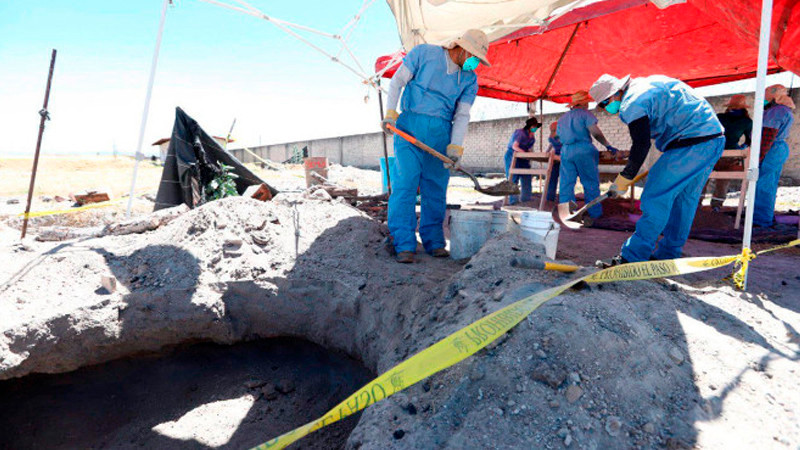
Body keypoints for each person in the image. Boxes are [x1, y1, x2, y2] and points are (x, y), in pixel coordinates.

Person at [590, 74, 724, 265]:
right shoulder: (649, 83)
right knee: (684, 201)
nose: (606, 109)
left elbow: (641, 144)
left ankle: (632, 257)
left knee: (654, 197)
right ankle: (668, 255)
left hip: (689, 143)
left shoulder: (632, 103)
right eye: (602, 106)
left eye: (605, 103)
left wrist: (624, 178)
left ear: (617, 92)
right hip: (712, 140)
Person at [381, 29, 490, 263]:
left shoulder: (469, 80)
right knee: (406, 184)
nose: (475, 64)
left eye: (478, 61)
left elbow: (462, 114)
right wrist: (390, 114)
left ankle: (434, 241)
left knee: (436, 188)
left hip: (441, 135)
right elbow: (398, 81)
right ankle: (403, 243)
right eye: (474, 58)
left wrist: (455, 147)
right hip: (409, 127)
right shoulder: (424, 54)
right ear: (461, 49)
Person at [556, 90, 619, 224]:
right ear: (584, 103)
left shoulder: (561, 119)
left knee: (566, 183)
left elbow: (559, 137)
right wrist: (608, 146)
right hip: (583, 149)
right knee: (590, 182)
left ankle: (566, 214)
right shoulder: (585, 114)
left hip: (566, 150)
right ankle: (594, 214)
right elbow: (596, 133)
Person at [754, 84, 796, 227]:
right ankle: (763, 216)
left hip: (771, 148)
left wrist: (758, 155)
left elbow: (768, 135)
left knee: (763, 184)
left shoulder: (776, 111)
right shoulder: (785, 110)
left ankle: (760, 220)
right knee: (769, 183)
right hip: (778, 148)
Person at [709, 94, 753, 211]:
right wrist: (740, 149)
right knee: (722, 182)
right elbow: (750, 141)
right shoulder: (746, 121)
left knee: (706, 179)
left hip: (714, 152)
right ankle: (716, 206)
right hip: (729, 154)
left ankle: (699, 205)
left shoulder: (720, 117)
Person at [504, 117, 540, 205]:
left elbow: (528, 149)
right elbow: (515, 146)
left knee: (526, 176)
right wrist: (525, 153)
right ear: (530, 126)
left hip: (523, 157)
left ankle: (526, 199)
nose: (535, 129)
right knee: (513, 178)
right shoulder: (520, 133)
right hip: (513, 156)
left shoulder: (532, 137)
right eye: (534, 126)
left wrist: (529, 155)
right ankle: (513, 201)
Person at [546, 121, 562, 205]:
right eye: (551, 130)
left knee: (564, 179)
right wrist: (546, 152)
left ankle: (564, 200)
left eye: (554, 130)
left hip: (564, 158)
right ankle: (550, 199)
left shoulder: (565, 136)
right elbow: (551, 144)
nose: (552, 131)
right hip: (555, 158)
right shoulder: (552, 137)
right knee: (552, 178)